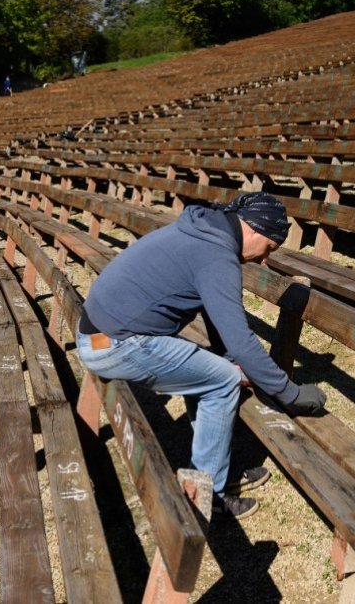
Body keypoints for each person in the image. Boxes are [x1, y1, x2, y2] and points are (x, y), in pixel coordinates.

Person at [77, 192, 327, 520]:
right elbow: (241, 340)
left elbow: (219, 321)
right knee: (221, 379)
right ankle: (208, 497)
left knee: (213, 368)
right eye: (269, 247)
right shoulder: (216, 255)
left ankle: (214, 464)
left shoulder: (203, 232)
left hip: (98, 334)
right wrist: (290, 394)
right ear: (254, 229)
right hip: (114, 344)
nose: (265, 259)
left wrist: (227, 356)